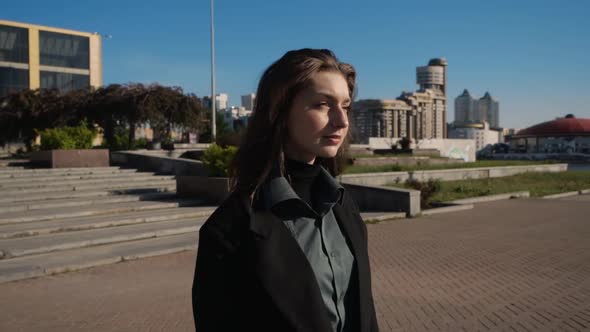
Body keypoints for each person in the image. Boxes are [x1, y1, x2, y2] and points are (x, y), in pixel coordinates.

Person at [192, 48, 379, 332]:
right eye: (322, 104)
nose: (342, 122)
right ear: (279, 110)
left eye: (346, 106)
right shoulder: (231, 230)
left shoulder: (344, 207)